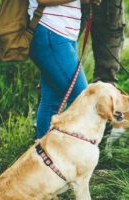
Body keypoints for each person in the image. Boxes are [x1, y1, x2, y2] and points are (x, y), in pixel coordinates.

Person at [28, 0, 101, 139]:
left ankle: (42, 154)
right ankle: (68, 153)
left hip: (63, 34)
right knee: (82, 100)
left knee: (52, 102)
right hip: (51, 30)